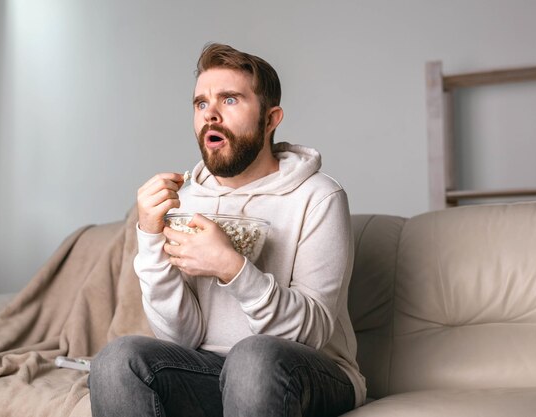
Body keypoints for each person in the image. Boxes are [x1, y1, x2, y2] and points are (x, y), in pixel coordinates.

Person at [89, 43, 366, 417]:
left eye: (230, 100)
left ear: (270, 119)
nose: (211, 115)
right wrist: (150, 237)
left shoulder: (319, 197)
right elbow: (181, 339)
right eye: (201, 104)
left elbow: (311, 335)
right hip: (208, 371)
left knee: (252, 357)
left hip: (308, 371)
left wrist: (231, 268)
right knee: (116, 359)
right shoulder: (185, 200)